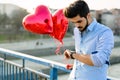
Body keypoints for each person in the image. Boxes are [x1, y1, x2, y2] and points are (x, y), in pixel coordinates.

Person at [63, 0, 114, 80]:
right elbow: (83, 54)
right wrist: (77, 66)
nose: (77, 25)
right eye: (73, 22)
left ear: (88, 15)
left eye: (79, 21)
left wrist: (73, 55)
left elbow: (98, 60)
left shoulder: (105, 32)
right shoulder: (76, 30)